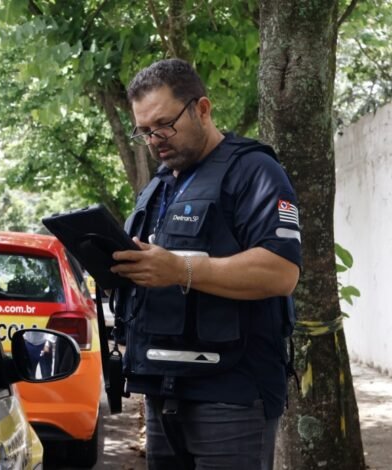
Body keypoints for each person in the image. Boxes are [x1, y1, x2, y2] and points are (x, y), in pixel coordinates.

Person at [110, 58, 301, 470]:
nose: (155, 139)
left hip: (232, 393)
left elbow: (282, 272)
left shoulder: (255, 172)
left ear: (202, 109)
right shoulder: (158, 187)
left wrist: (181, 270)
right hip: (162, 388)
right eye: (144, 131)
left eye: (164, 124)